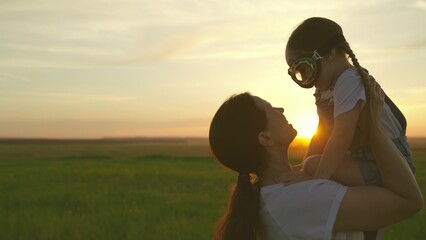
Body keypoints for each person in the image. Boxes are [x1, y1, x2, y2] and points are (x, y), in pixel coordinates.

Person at [208, 77, 423, 240]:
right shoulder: (302, 198)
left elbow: (313, 164)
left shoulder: (281, 187)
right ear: (265, 138)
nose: (280, 108)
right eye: (270, 108)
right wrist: (373, 127)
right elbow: (408, 201)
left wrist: (323, 121)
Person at [284, 17, 416, 239]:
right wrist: (304, 170)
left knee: (314, 164)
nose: (307, 80)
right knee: (309, 165)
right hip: (368, 159)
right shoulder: (334, 85)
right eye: (298, 75)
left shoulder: (348, 80)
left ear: (330, 54)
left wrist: (314, 176)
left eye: (305, 69)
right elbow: (323, 133)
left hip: (388, 163)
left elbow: (341, 136)